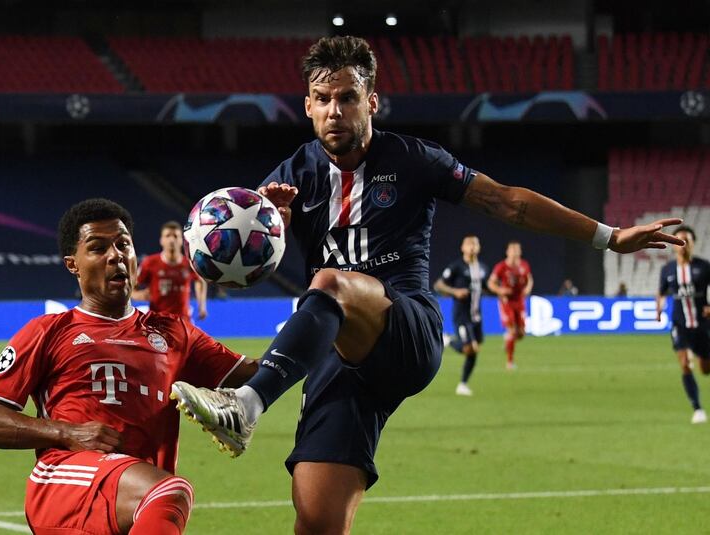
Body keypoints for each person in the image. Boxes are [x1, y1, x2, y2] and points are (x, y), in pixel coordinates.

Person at [170, 36, 683, 535]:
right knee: (316, 519)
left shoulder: (414, 159)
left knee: (330, 282)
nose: (334, 111)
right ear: (307, 106)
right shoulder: (292, 175)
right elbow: (241, 264)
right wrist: (275, 225)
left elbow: (508, 202)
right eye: (323, 100)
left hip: (407, 330)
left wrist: (610, 236)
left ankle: (246, 406)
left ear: (371, 102)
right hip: (340, 360)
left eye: (347, 98)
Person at [0, 198, 256, 535]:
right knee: (170, 491)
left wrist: (320, 316)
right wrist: (66, 432)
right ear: (73, 264)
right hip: (65, 482)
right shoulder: (48, 331)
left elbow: (260, 374)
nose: (115, 255)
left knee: (163, 492)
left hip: (131, 498)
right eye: (98, 247)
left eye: (123, 244)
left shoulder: (173, 333)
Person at [656, 225, 710, 424]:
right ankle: (697, 409)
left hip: (703, 325)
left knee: (705, 369)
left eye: (687, 240)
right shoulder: (668, 270)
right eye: (679, 241)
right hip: (680, 324)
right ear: (673, 246)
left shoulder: (704, 267)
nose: (683, 245)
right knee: (685, 364)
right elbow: (661, 292)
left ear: (694, 243)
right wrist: (658, 309)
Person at [433, 235, 489, 395]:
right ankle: (448, 340)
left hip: (477, 317)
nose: (472, 247)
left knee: (474, 350)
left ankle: (463, 384)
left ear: (479, 248)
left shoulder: (483, 269)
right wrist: (454, 291)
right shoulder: (456, 267)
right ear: (463, 248)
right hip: (462, 315)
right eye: (469, 244)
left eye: (475, 244)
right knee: (469, 348)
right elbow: (438, 285)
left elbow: (487, 287)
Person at [132, 221, 208, 323]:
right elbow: (131, 286)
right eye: (168, 236)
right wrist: (137, 295)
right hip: (157, 322)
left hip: (183, 322)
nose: (172, 240)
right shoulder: (150, 262)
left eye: (176, 236)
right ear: (161, 240)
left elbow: (200, 281)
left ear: (181, 240)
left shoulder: (189, 264)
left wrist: (202, 306)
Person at [488, 240, 534, 369]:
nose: (514, 252)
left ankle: (508, 340)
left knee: (521, 334)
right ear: (507, 252)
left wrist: (528, 288)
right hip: (506, 302)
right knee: (513, 331)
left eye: (516, 249)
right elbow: (491, 283)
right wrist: (500, 290)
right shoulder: (501, 267)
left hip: (519, 301)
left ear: (520, 252)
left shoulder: (524, 265)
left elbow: (529, 278)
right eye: (512, 250)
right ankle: (510, 362)